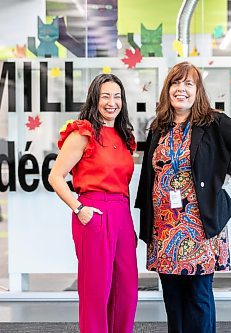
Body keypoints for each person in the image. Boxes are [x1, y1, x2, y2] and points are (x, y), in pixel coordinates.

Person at [135, 62, 231, 333]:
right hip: (164, 227)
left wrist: (227, 175)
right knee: (172, 296)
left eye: (188, 84)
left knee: (198, 295)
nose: (180, 89)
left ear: (197, 90)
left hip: (198, 226)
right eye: (175, 83)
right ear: (167, 89)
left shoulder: (212, 122)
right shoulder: (158, 126)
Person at [48, 73, 138, 333]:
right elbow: (55, 176)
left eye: (117, 96)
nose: (112, 102)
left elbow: (124, 183)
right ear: (95, 99)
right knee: (96, 293)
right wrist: (78, 208)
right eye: (106, 96)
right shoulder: (83, 133)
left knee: (127, 291)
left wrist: (128, 224)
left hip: (121, 214)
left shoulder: (123, 136)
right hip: (94, 212)